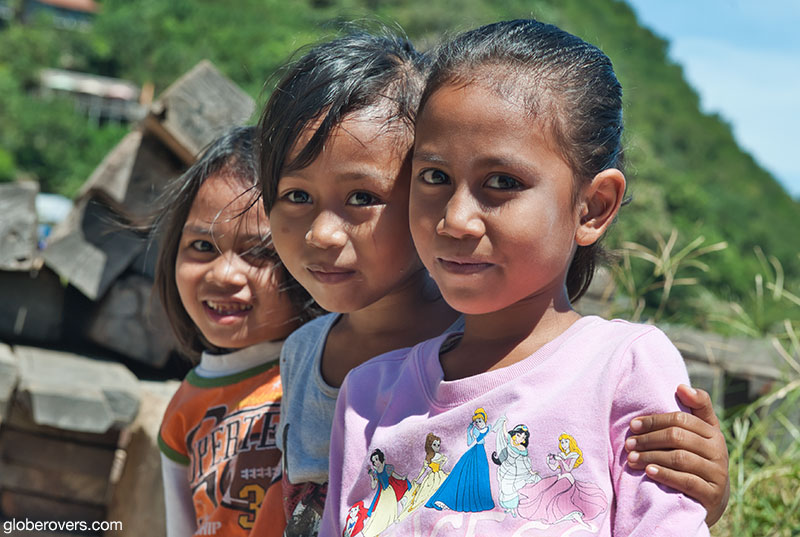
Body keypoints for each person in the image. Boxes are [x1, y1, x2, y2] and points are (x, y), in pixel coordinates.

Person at [253, 25, 729, 536]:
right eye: (435, 177)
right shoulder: (367, 396)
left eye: (502, 183)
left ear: (593, 207)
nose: (456, 219)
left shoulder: (620, 369)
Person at [154, 126, 317, 537]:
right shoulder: (184, 409)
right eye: (202, 247)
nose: (224, 274)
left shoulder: (330, 371)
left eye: (259, 252)